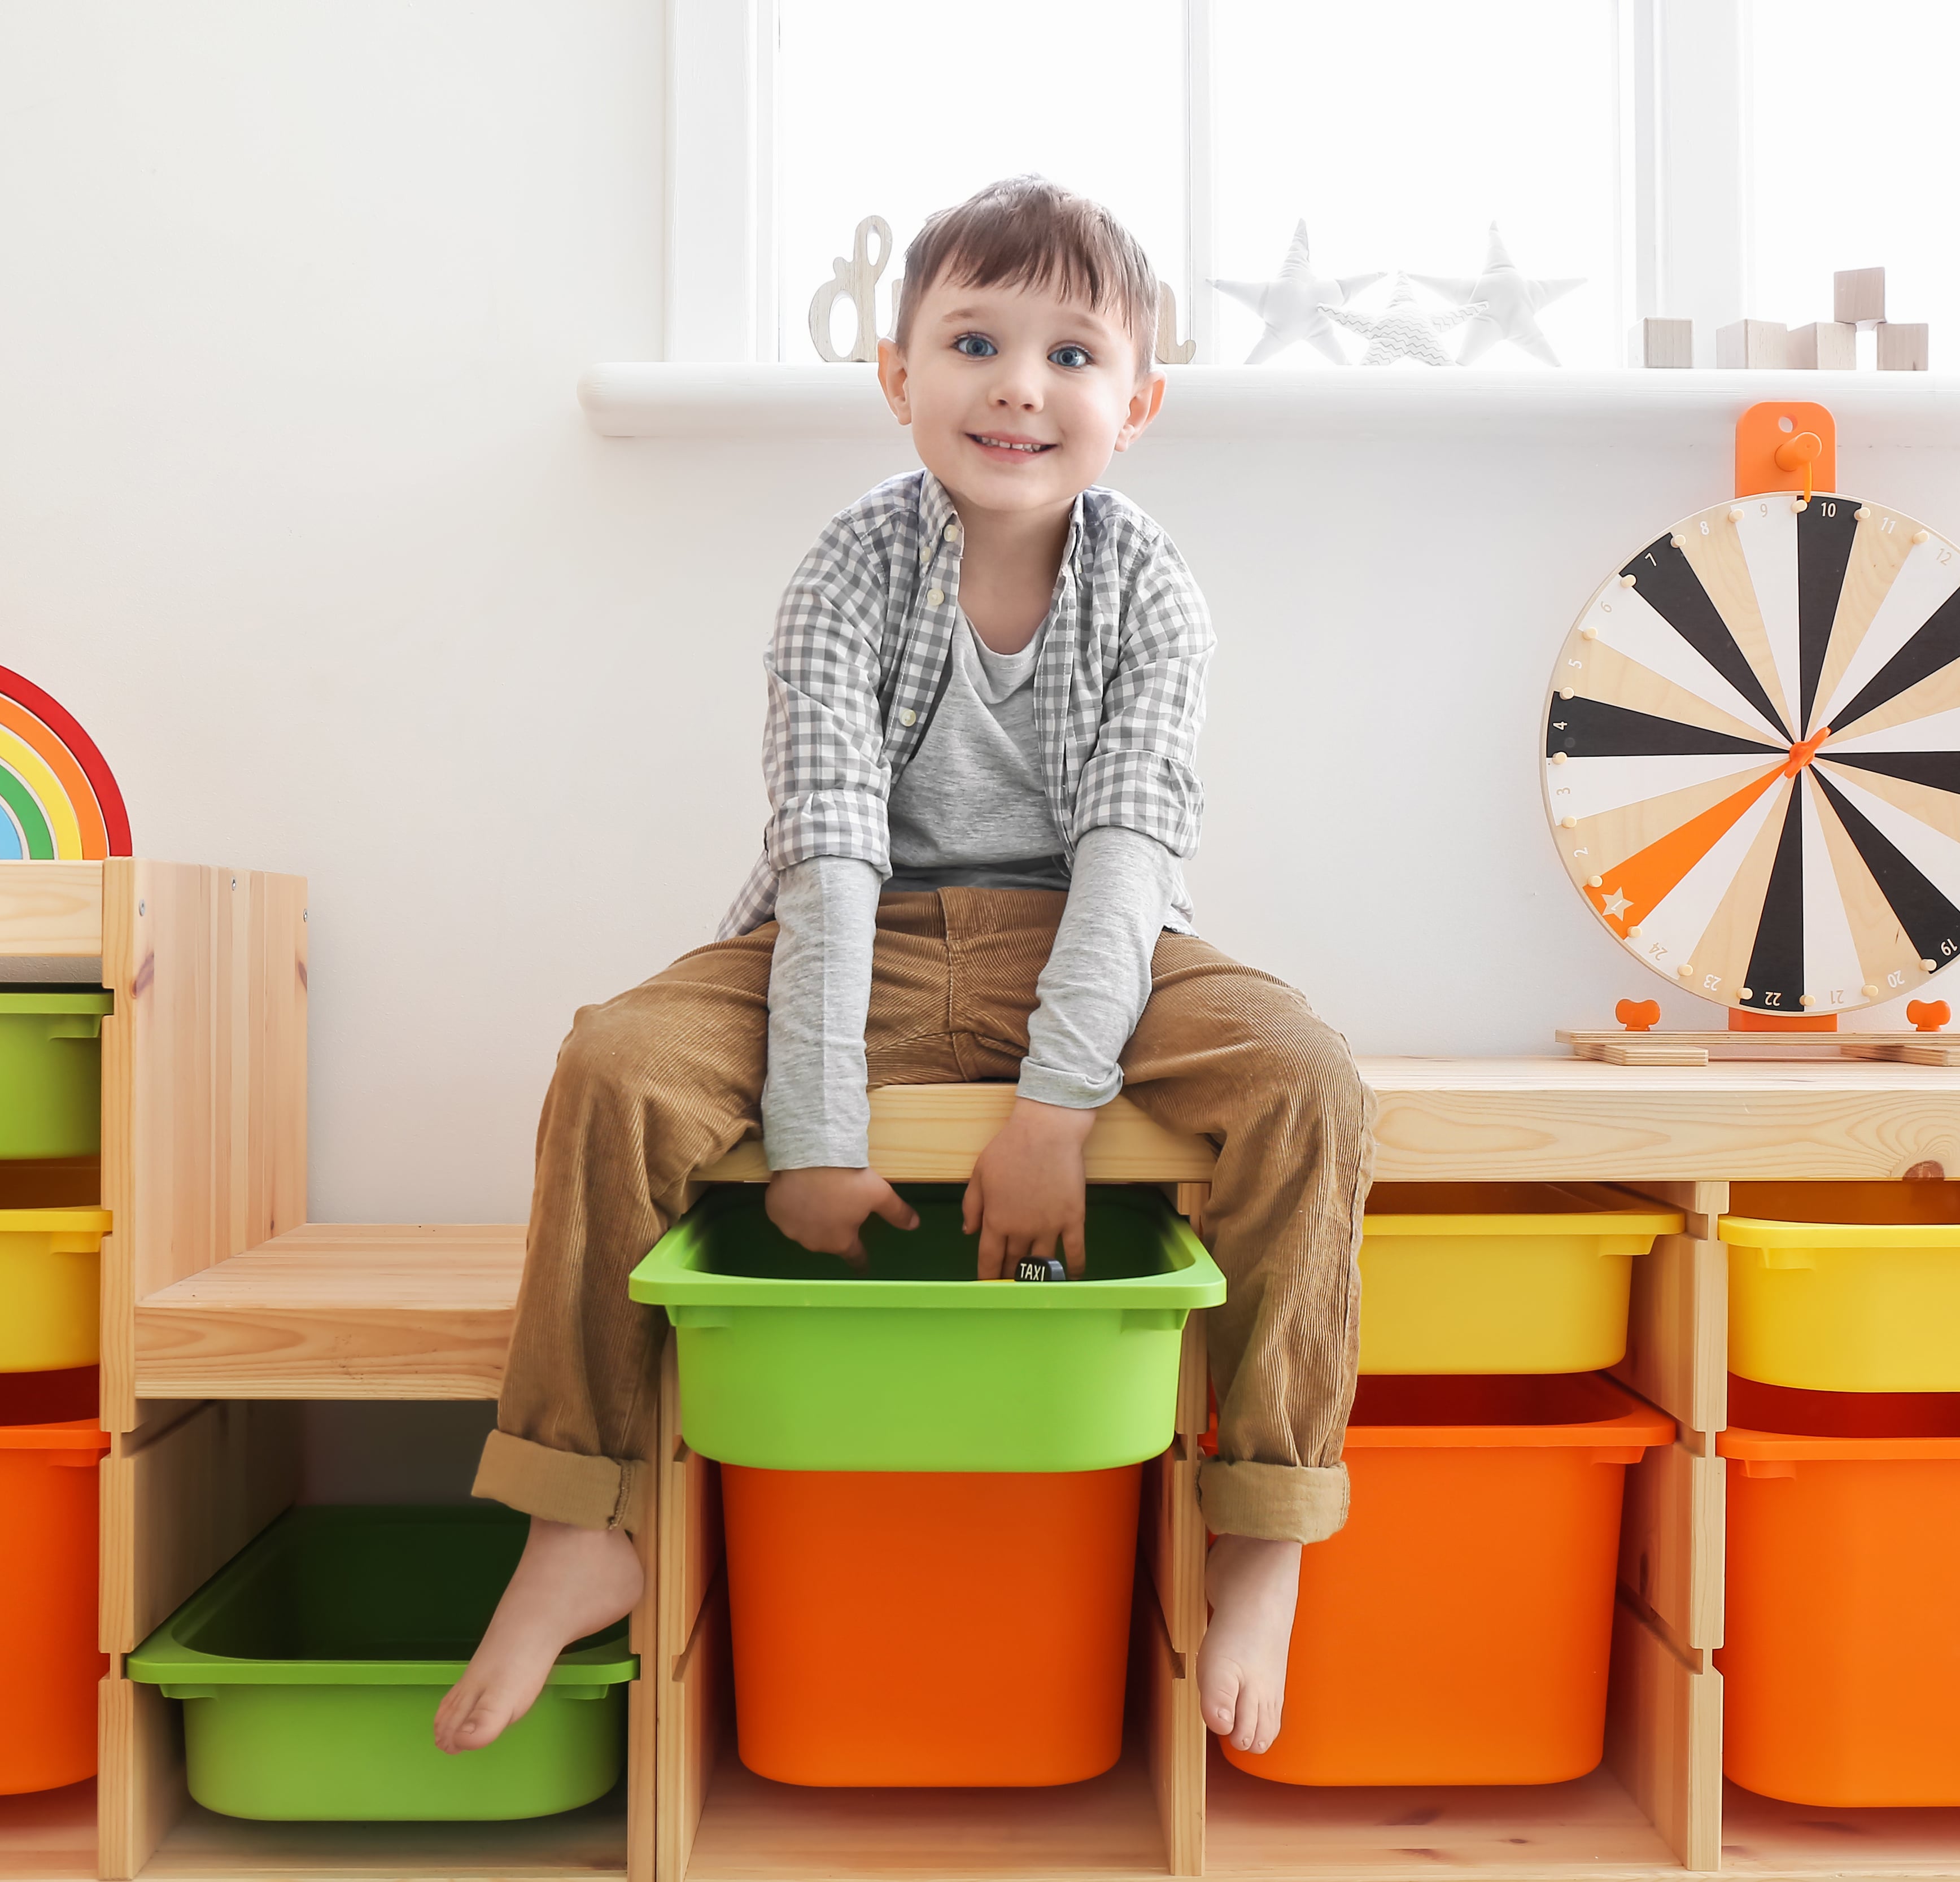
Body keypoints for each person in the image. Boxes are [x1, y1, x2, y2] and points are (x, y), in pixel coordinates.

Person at [434, 174, 1374, 1763]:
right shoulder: (846, 572)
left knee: (1310, 1078)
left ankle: (1266, 1519)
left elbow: (1131, 863)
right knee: (613, 1063)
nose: (1021, 383)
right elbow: (828, 857)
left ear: (1137, 403)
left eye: (1073, 355)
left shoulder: (1154, 591)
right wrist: (812, 1134)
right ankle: (581, 1518)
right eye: (977, 341)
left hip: (1089, 944)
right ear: (899, 375)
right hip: (834, 947)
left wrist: (1059, 1109)